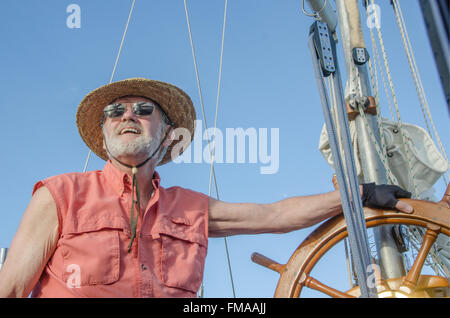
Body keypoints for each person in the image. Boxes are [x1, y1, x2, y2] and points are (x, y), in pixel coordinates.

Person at [0, 78, 413, 298]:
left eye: (144, 111)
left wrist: (358, 195)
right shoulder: (59, 195)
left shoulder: (191, 208)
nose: (128, 115)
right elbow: (12, 289)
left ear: (166, 136)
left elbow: (274, 216)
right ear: (104, 133)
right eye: (115, 112)